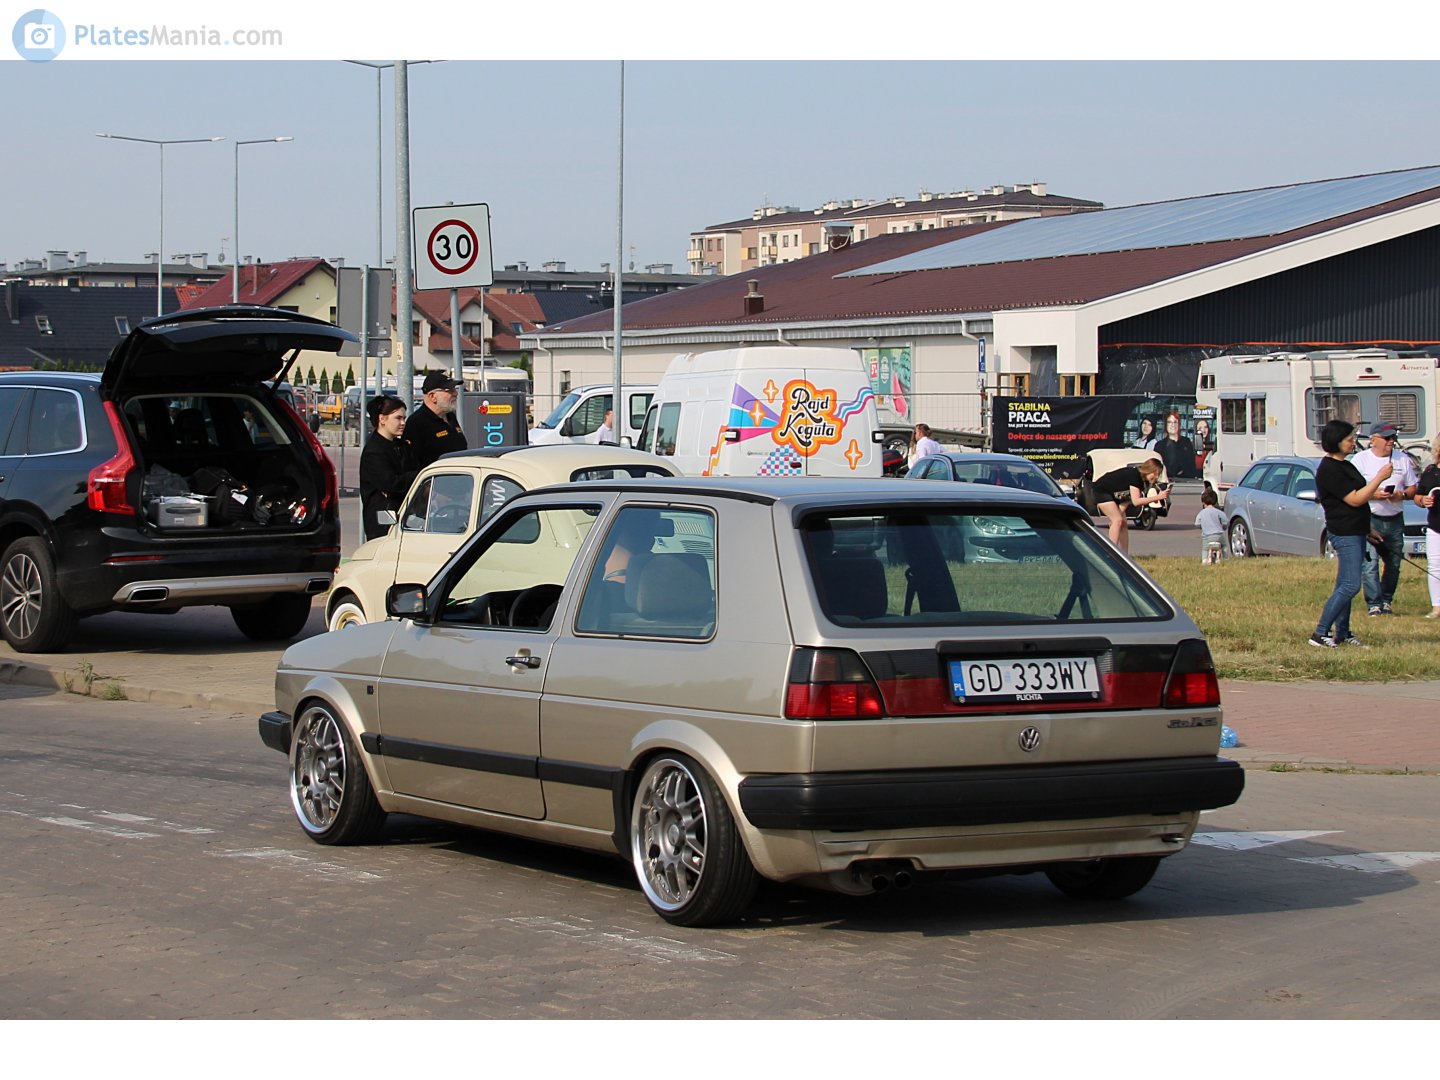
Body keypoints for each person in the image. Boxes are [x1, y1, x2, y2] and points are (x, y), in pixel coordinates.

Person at [1310, 419, 1391, 648]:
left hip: (1356, 530)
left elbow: (1358, 495)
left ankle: (1343, 633)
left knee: (1343, 585)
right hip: (1343, 533)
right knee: (1350, 585)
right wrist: (1379, 478)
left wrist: (1367, 529)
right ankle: (1320, 633)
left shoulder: (1346, 464)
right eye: (1349, 439)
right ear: (1336, 441)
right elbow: (1354, 499)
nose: (1353, 442)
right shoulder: (1328, 469)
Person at [1354, 422, 1419, 616]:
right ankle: (1374, 603)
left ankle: (1386, 600)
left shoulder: (1402, 459)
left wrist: (1402, 495)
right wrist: (1374, 494)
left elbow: (1413, 487)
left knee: (1394, 563)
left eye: (1393, 438)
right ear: (1373, 440)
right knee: (1370, 563)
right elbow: (1353, 491)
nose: (1391, 442)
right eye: (1387, 438)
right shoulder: (1360, 460)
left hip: (1395, 518)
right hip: (1371, 517)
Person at [359, 395, 418, 542]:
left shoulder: (402, 446)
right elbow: (391, 484)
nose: (403, 423)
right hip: (382, 526)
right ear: (382, 419)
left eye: (404, 418)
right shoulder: (374, 451)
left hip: (404, 519)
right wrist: (416, 476)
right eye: (398, 418)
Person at [1092, 456, 1166, 552]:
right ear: (1148, 470)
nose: (1156, 477)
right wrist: (1158, 497)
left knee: (1122, 523)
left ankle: (1125, 556)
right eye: (1155, 474)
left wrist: (1120, 511)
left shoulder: (1142, 481)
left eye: (1158, 475)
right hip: (1101, 491)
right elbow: (1136, 501)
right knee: (1117, 520)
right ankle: (1111, 554)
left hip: (1116, 496)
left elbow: (1127, 499)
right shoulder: (1135, 476)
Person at [403, 371, 467, 469]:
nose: (455, 393)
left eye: (454, 389)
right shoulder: (417, 423)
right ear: (433, 396)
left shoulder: (450, 416)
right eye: (449, 390)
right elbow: (411, 463)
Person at [1413, 434, 1440, 619]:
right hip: (1435, 526)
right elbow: (1417, 496)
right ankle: (1437, 606)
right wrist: (1423, 500)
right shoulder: (1430, 471)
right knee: (1435, 566)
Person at [1154, 410, 1196, 479]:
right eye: (1169, 422)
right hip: (1166, 481)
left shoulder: (1186, 442)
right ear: (1166, 425)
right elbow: (1156, 467)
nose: (1172, 425)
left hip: (1185, 482)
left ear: (1179, 424)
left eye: (1175, 422)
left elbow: (1191, 465)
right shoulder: (1159, 445)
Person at [1195, 487, 1226, 564]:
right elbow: (1226, 521)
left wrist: (1202, 526)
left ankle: (1205, 560)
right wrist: (1224, 527)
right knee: (1224, 546)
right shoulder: (1218, 512)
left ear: (1203, 503)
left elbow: (1197, 524)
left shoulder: (1201, 513)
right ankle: (1225, 558)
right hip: (1219, 535)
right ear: (1215, 502)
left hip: (1207, 536)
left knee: (1205, 548)